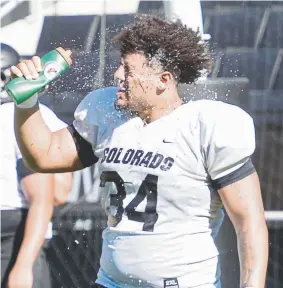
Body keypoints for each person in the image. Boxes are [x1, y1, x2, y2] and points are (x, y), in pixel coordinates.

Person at [10, 15, 268, 288]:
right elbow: (44, 155)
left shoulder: (204, 126)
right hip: (111, 283)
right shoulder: (107, 113)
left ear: (163, 80)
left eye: (129, 69)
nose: (118, 75)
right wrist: (27, 102)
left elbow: (248, 222)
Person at [1, 43, 73, 288]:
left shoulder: (16, 117)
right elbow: (61, 191)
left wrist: (22, 267)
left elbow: (46, 196)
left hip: (13, 239)